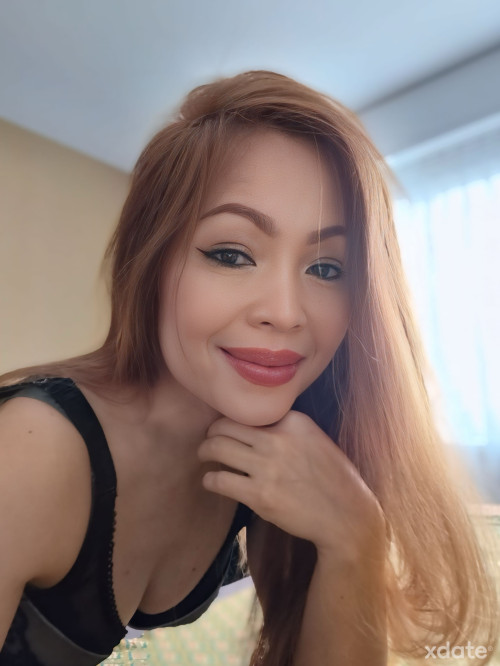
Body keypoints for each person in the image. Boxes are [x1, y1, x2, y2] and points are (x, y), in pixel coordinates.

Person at [0, 70, 498, 666]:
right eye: (232, 254)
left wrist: (355, 536)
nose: (286, 313)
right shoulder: (32, 449)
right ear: (150, 262)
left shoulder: (285, 452)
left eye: (326, 269)